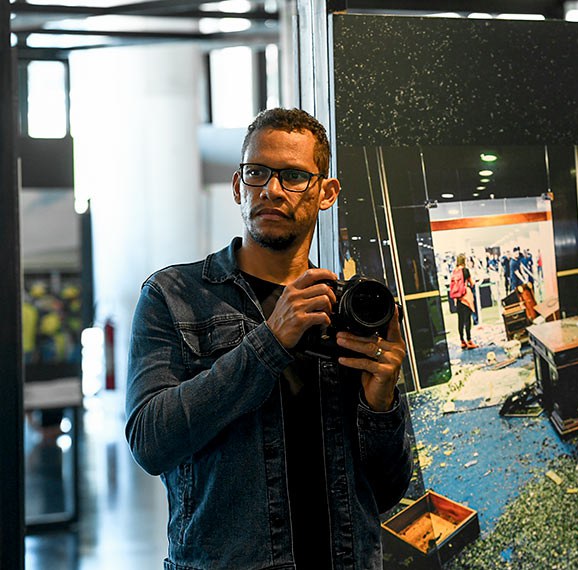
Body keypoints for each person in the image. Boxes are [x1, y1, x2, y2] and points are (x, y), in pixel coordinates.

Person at [125, 108, 412, 569]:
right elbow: (151, 441)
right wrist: (270, 341)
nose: (272, 190)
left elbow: (386, 490)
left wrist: (380, 406)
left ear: (326, 193)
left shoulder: (352, 313)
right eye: (258, 172)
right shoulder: (173, 296)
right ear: (239, 186)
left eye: (294, 176)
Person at [449, 253, 477, 349]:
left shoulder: (454, 272)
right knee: (467, 320)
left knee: (460, 320)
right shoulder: (465, 271)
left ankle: (462, 341)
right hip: (465, 298)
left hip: (457, 299)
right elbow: (471, 283)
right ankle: (469, 340)